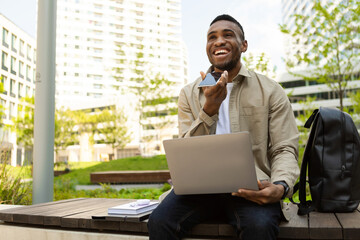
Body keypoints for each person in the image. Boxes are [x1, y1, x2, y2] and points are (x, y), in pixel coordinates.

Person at [148, 14, 299, 240]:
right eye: (212, 37)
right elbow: (186, 153)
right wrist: (209, 109)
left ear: (243, 45)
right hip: (198, 190)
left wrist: (280, 186)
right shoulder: (189, 94)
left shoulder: (271, 90)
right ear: (207, 48)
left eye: (228, 35)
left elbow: (284, 148)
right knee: (159, 222)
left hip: (251, 188)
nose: (219, 41)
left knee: (259, 227)